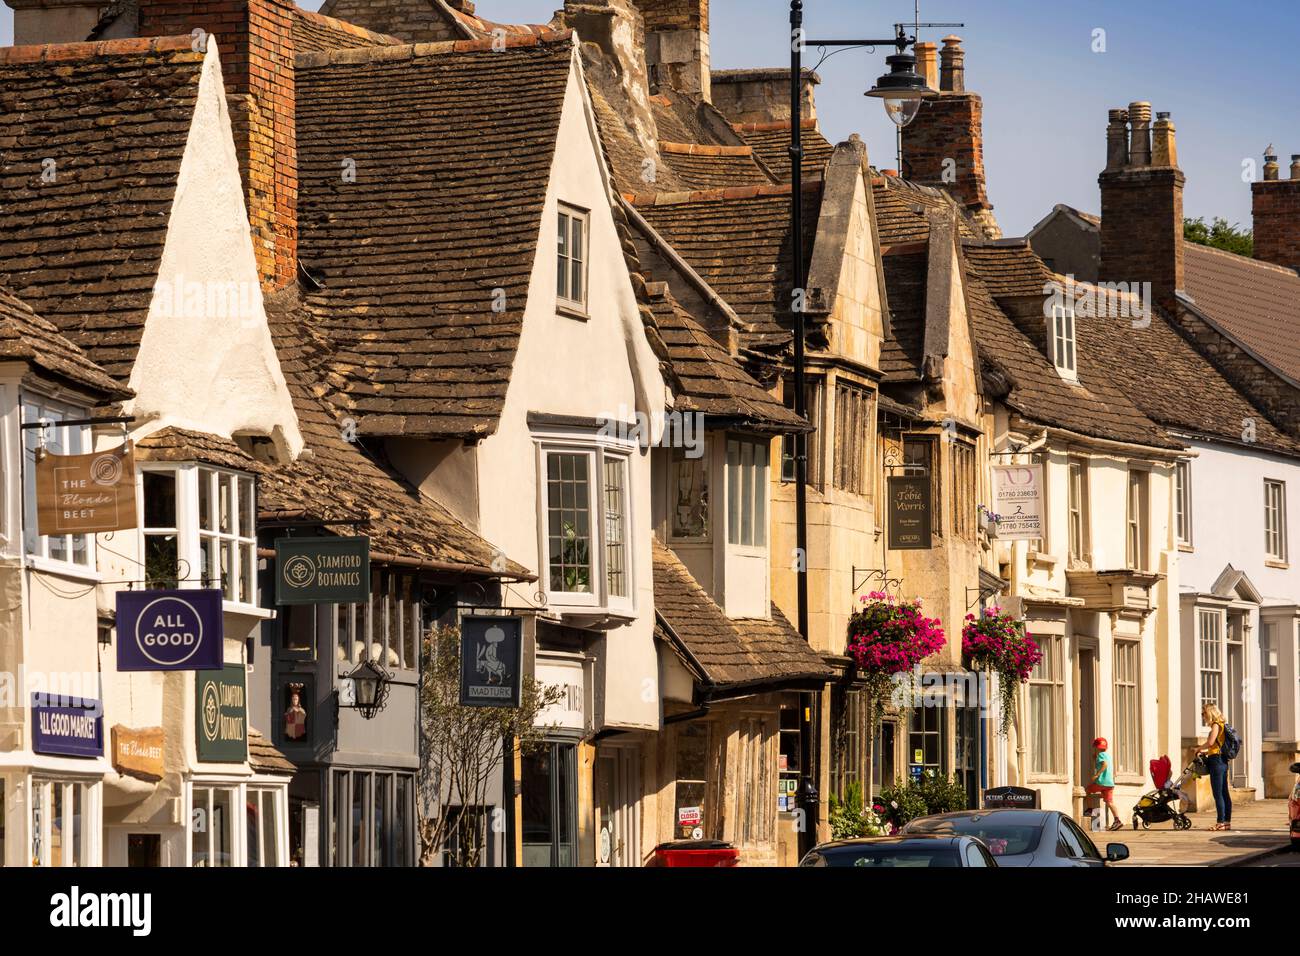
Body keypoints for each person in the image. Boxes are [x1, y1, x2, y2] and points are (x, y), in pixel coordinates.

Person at [1196, 703, 1232, 830]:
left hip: (1216, 762)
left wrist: (1199, 748)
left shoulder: (1216, 725)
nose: (1203, 716)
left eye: (1204, 713)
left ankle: (1220, 822)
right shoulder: (1223, 724)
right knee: (1224, 792)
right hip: (1222, 760)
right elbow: (1216, 746)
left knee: (1218, 794)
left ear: (1209, 713)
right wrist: (1205, 752)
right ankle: (1226, 822)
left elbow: (1211, 742)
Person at [1085, 737, 1124, 831]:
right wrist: (1095, 759)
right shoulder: (1107, 755)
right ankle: (1117, 820)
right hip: (1109, 783)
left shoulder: (1101, 755)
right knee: (1110, 802)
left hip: (1101, 782)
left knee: (1088, 790)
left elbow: (1104, 765)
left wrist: (1097, 775)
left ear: (1095, 747)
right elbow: (1102, 764)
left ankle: (1090, 809)